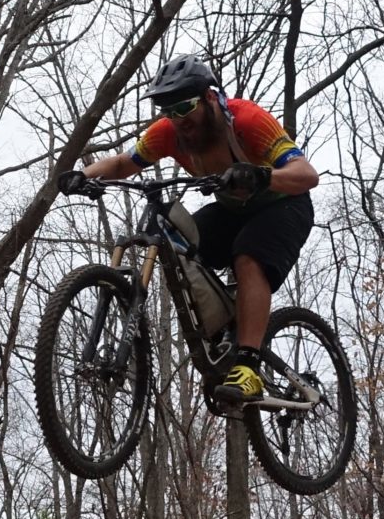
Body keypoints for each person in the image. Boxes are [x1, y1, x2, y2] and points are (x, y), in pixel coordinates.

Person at [58, 55, 320, 402]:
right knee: (180, 244)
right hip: (232, 210)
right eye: (168, 110)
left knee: (248, 257)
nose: (177, 119)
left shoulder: (247, 120)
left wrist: (261, 174)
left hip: (284, 204)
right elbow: (124, 162)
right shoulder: (169, 132)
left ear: (210, 98)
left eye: (184, 106)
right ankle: (226, 328)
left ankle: (248, 365)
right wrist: (83, 175)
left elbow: (307, 175)